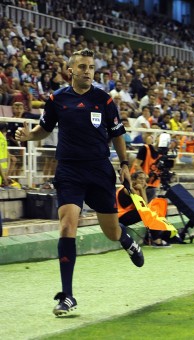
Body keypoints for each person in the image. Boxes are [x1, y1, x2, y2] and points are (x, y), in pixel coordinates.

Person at [15, 48, 144, 317]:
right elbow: (45, 128)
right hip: (69, 172)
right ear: (71, 70)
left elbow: (117, 133)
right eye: (82, 67)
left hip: (99, 171)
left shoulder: (104, 100)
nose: (87, 71)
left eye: (91, 68)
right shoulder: (57, 99)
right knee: (66, 226)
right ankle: (68, 296)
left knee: (110, 231)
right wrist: (29, 135)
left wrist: (124, 165)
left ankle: (127, 240)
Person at [117, 171, 170, 247]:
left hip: (125, 216)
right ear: (133, 180)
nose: (143, 181)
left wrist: (143, 189)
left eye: (144, 179)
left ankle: (155, 237)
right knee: (148, 211)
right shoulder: (128, 189)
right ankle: (155, 240)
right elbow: (144, 206)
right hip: (118, 219)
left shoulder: (135, 189)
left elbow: (145, 205)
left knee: (154, 209)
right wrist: (142, 190)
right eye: (140, 178)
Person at [133, 133, 160, 202]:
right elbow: (136, 165)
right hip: (140, 182)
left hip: (153, 184)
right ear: (156, 138)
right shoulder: (145, 148)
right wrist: (145, 176)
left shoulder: (162, 152)